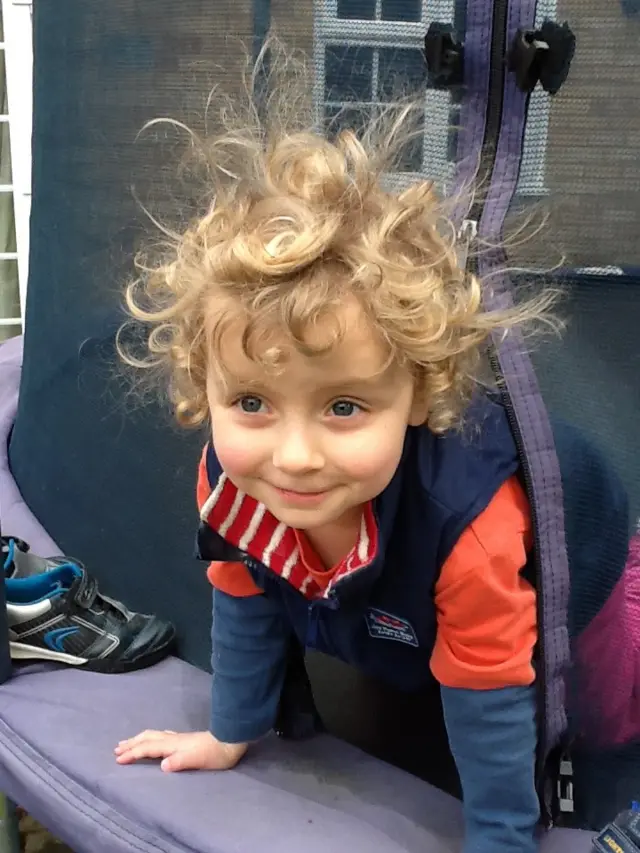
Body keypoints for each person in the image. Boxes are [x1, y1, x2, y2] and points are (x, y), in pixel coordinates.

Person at [113, 48, 560, 853]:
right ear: (203, 384)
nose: (292, 454)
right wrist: (229, 732)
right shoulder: (230, 481)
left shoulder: (472, 526)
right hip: (407, 622)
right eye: (250, 402)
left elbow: (491, 696)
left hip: (581, 593)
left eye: (344, 406)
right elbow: (244, 595)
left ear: (418, 396)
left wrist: (502, 841)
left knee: (608, 690)